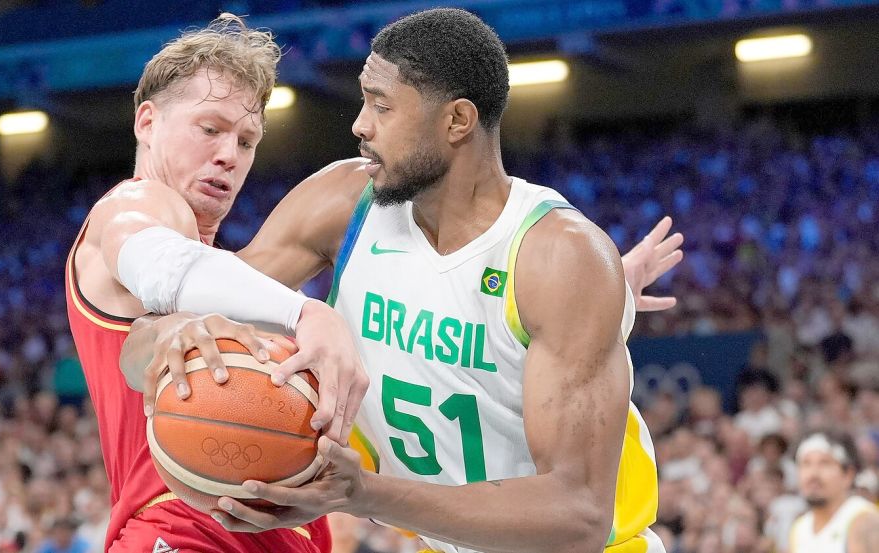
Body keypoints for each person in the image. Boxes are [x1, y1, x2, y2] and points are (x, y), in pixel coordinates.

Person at [123, 9, 684, 553]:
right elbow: (137, 346)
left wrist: (363, 494)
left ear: (457, 122)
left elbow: (578, 520)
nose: (359, 125)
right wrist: (171, 337)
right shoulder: (344, 205)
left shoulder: (559, 257)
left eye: (382, 106)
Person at [65, 13, 368, 553]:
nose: (229, 154)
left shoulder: (225, 274)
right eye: (210, 128)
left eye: (247, 140)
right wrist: (310, 313)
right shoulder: (134, 204)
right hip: (182, 530)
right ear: (147, 122)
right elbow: (157, 284)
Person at [787, 431, 879, 553]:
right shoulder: (799, 528)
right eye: (806, 463)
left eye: (824, 463)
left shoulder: (863, 520)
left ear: (848, 475)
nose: (813, 474)